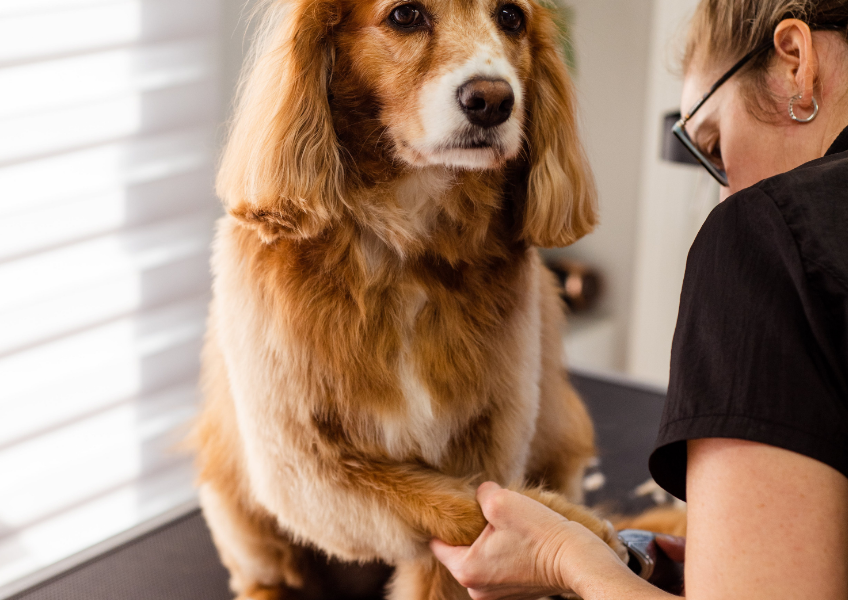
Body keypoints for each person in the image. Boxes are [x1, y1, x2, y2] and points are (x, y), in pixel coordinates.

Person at [430, 1, 848, 598]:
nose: (726, 191)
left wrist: (560, 557)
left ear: (795, 63)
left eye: (711, 142)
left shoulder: (764, 233)